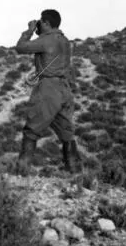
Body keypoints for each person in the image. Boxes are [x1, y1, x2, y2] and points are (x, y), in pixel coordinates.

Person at [14, 9, 81, 174]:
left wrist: (29, 31)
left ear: (46, 23)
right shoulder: (64, 40)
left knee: (32, 129)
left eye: (41, 22)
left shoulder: (46, 40)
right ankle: (76, 173)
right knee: (67, 133)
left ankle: (22, 171)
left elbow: (20, 47)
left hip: (48, 89)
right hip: (64, 89)